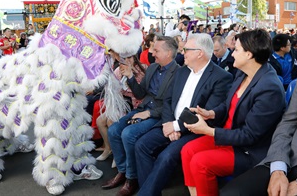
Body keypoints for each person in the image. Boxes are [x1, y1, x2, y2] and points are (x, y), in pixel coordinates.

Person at [220, 30, 297, 196]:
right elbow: (287, 124)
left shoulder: (268, 83)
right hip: (288, 159)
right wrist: (278, 167)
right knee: (232, 193)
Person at [181, 29, 286, 196]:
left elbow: (249, 136)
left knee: (200, 162)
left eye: (236, 50)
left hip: (247, 149)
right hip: (229, 136)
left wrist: (208, 131)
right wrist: (211, 113)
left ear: (249, 55)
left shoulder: (269, 88)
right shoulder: (243, 73)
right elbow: (228, 104)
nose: (232, 53)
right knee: (188, 151)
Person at [135, 33, 233, 196]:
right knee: (141, 145)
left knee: (166, 156)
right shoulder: (182, 72)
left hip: (196, 131)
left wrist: (176, 126)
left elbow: (204, 115)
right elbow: (168, 101)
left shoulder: (221, 77)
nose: (182, 53)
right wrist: (170, 124)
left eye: (186, 49)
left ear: (199, 53)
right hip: (170, 123)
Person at [101, 36, 179, 196]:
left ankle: (132, 178)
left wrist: (149, 113)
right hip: (143, 109)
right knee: (114, 130)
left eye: (156, 50)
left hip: (158, 115)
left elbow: (172, 105)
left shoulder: (179, 73)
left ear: (169, 53)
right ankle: (123, 171)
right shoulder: (152, 68)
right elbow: (140, 93)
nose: (152, 53)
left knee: (128, 134)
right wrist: (130, 76)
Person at [95, 54, 147, 162]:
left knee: (111, 121)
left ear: (134, 57)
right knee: (99, 121)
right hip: (121, 104)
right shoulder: (118, 70)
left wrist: (130, 75)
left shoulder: (142, 69)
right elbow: (112, 89)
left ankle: (118, 153)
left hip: (136, 106)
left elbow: (139, 95)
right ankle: (109, 148)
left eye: (129, 58)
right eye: (123, 59)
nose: (126, 61)